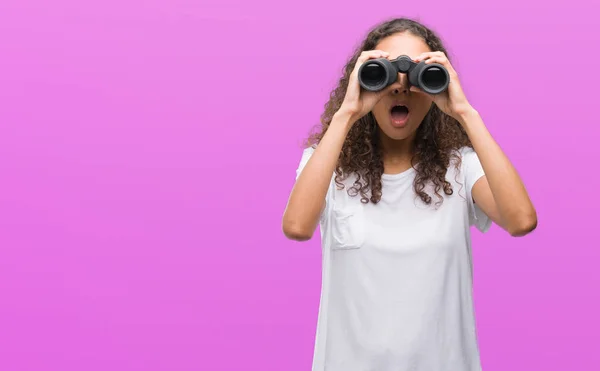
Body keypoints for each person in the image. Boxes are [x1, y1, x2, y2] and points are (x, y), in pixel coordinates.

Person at [281, 17, 537, 371]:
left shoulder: (460, 168)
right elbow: (296, 226)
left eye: (417, 73)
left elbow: (521, 220)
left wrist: (465, 112)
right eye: (384, 70)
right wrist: (347, 112)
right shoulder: (328, 164)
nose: (400, 86)